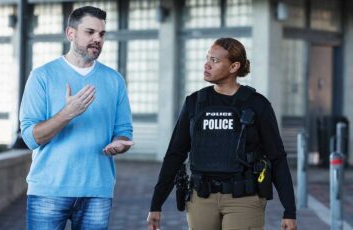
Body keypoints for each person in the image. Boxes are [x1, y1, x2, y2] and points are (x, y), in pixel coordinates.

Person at [147, 37, 297, 230]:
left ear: (234, 66)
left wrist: (289, 211)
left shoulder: (257, 104)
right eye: (207, 58)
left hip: (244, 199)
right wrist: (155, 204)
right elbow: (175, 154)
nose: (206, 65)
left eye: (215, 61)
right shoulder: (194, 102)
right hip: (201, 199)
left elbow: (277, 157)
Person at [20, 6, 133, 230]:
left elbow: (124, 131)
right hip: (48, 191)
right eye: (89, 32)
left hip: (97, 191)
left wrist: (120, 143)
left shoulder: (114, 80)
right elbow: (30, 138)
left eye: (101, 34)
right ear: (70, 33)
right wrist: (67, 113)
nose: (97, 39)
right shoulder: (42, 76)